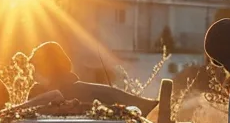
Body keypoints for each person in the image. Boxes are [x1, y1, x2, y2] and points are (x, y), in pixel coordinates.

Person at [27, 41, 159, 114]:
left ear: (46, 67)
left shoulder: (70, 90)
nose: (32, 74)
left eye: (35, 67)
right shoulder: (40, 92)